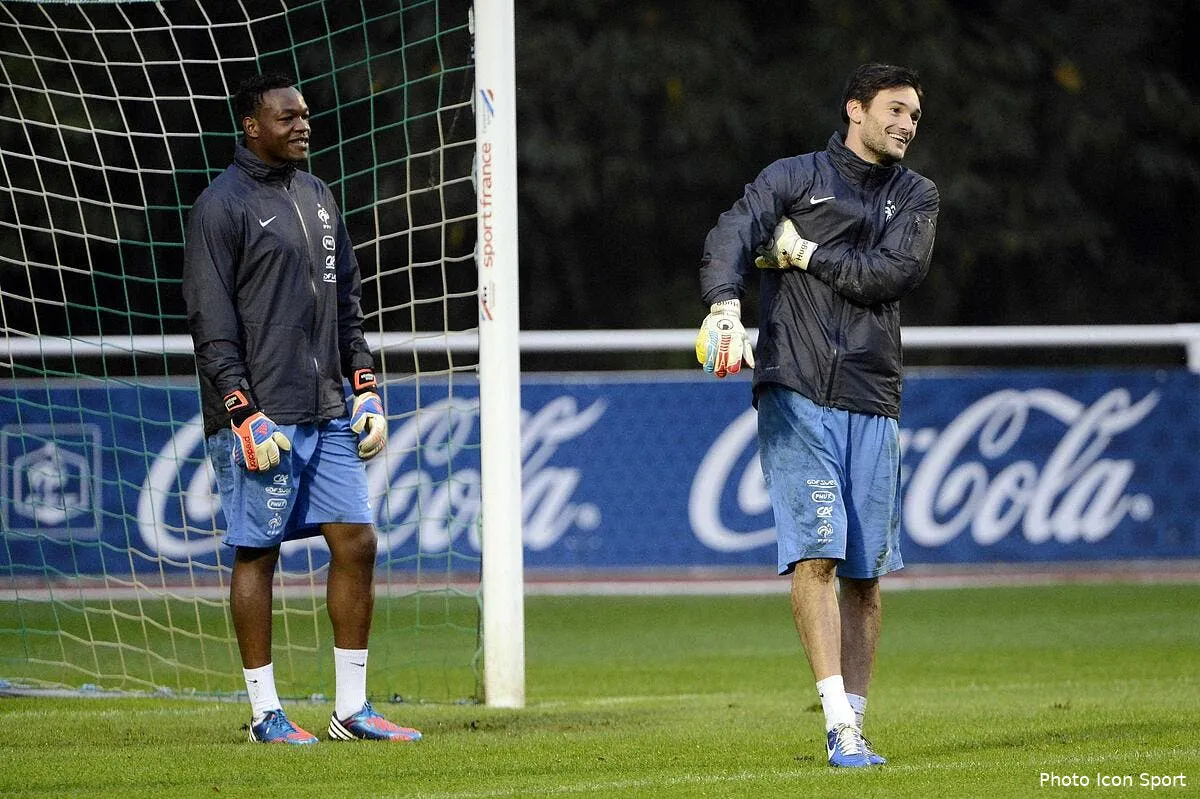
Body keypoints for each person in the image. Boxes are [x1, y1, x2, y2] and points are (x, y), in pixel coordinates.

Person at [695, 63, 938, 767]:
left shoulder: (917, 195)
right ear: (855, 110)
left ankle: (855, 721)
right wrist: (723, 301)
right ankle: (837, 724)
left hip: (873, 394)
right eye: (895, 110)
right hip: (795, 387)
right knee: (820, 555)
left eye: (915, 116)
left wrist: (803, 252)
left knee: (866, 575)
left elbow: (891, 276)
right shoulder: (793, 178)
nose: (907, 125)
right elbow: (734, 229)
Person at [182, 72, 421, 745]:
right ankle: (265, 713)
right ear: (251, 126)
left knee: (358, 540)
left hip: (327, 407)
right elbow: (211, 320)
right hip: (262, 412)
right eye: (286, 117)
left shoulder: (318, 195)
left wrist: (365, 381)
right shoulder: (219, 206)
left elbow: (346, 300)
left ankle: (351, 709)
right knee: (258, 553)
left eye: (305, 116)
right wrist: (241, 408)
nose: (302, 125)